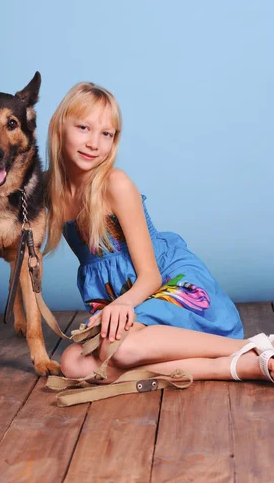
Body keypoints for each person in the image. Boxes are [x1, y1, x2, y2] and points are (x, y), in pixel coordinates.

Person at [44, 82, 274, 385]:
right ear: (60, 128)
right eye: (84, 128)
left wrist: (124, 304)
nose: (93, 143)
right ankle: (237, 365)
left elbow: (150, 275)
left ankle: (253, 347)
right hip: (120, 300)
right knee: (73, 364)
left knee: (121, 349)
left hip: (163, 282)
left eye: (106, 134)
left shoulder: (115, 184)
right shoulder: (47, 189)